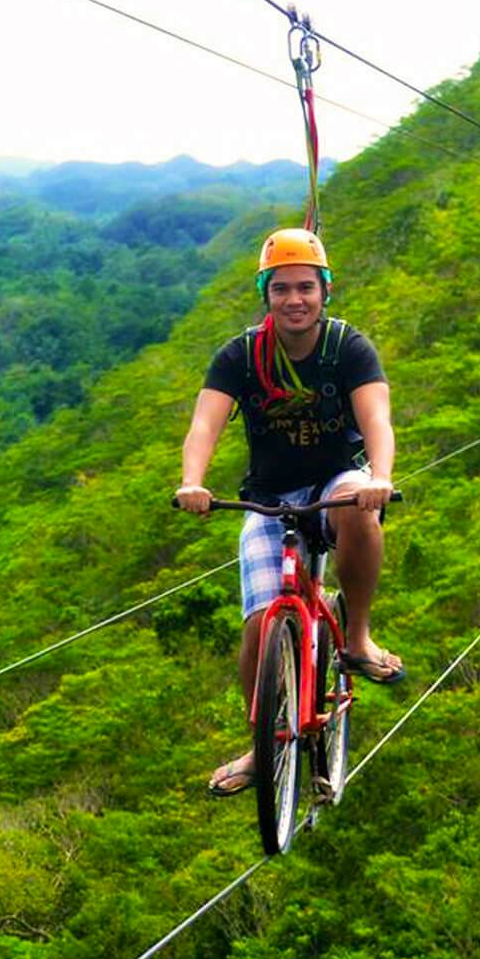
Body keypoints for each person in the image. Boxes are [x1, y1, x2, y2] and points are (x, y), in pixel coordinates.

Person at [176, 227, 405, 797]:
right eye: (282, 289)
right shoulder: (240, 355)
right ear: (266, 294)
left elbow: (376, 418)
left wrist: (379, 477)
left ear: (325, 291)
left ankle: (356, 638)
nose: (294, 299)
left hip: (336, 480)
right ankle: (262, 744)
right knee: (259, 626)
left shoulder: (347, 348)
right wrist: (192, 482)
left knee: (357, 509)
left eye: (306, 287)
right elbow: (205, 424)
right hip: (270, 494)